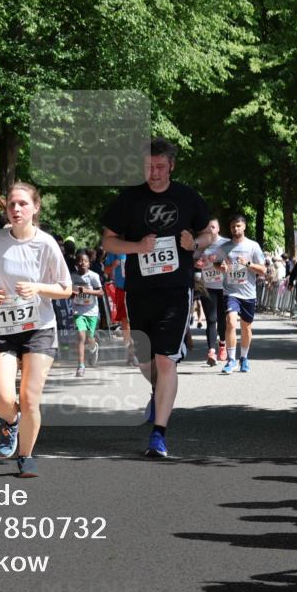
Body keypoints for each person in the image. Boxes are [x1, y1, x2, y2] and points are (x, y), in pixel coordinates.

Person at [100, 138, 213, 458]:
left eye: (160, 167)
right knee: (145, 361)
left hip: (176, 290)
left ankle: (158, 435)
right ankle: (156, 389)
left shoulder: (187, 197)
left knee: (165, 360)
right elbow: (108, 241)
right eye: (149, 167)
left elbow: (209, 233)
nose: (154, 173)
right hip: (139, 289)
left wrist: (195, 242)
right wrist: (137, 248)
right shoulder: (130, 198)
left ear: (172, 166)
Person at [0, 182, 72, 476]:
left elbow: (66, 288)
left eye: (22, 204)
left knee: (30, 397)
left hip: (39, 328)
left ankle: (26, 455)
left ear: (35, 208)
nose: (17, 209)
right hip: (3, 325)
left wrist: (38, 288)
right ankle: (10, 421)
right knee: (3, 400)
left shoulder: (46, 244)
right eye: (12, 204)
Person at [217, 215, 266, 374]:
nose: (235, 229)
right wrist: (221, 266)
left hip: (248, 293)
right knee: (230, 322)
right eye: (232, 227)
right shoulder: (225, 247)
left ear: (244, 227)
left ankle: (243, 358)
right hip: (231, 291)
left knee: (246, 328)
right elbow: (216, 263)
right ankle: (231, 360)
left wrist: (248, 264)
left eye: (238, 226)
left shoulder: (253, 246)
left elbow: (263, 270)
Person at [194, 218, 229, 365]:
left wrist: (218, 263)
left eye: (213, 227)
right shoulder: (201, 245)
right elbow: (193, 262)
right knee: (211, 319)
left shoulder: (226, 243)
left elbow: (233, 264)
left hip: (224, 287)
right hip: (207, 287)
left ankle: (222, 343)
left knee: (222, 319)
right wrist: (198, 263)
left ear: (219, 229)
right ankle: (211, 352)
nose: (211, 230)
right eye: (208, 228)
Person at [70, 249, 104, 377]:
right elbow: (68, 293)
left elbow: (101, 293)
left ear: (89, 263)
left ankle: (94, 347)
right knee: (80, 337)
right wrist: (72, 294)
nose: (82, 263)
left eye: (85, 261)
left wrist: (86, 291)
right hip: (78, 310)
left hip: (92, 311)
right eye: (79, 261)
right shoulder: (72, 277)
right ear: (76, 264)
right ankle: (81, 366)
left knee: (90, 338)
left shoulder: (93, 276)